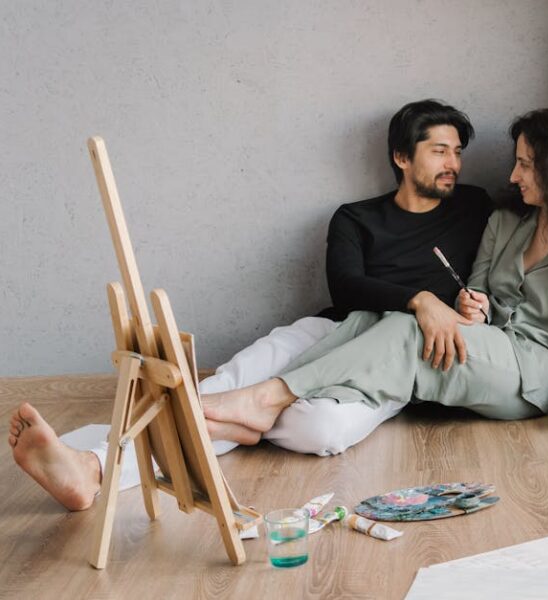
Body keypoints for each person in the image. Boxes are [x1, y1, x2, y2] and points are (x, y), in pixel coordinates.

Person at [8, 99, 492, 510]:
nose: (454, 162)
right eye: (440, 150)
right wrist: (420, 298)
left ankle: (230, 420)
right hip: (331, 330)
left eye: (457, 152)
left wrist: (476, 307)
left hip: (391, 358)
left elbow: (502, 276)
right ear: (402, 157)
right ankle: (93, 466)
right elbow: (345, 287)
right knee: (229, 383)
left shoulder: (474, 208)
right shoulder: (355, 217)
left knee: (318, 429)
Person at [201, 106, 548, 445]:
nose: (512, 175)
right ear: (402, 157)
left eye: (525, 164)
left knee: (409, 332)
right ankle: (250, 414)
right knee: (375, 320)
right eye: (516, 162)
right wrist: (475, 306)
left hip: (536, 376)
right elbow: (478, 290)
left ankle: (266, 398)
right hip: (489, 345)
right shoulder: (505, 222)